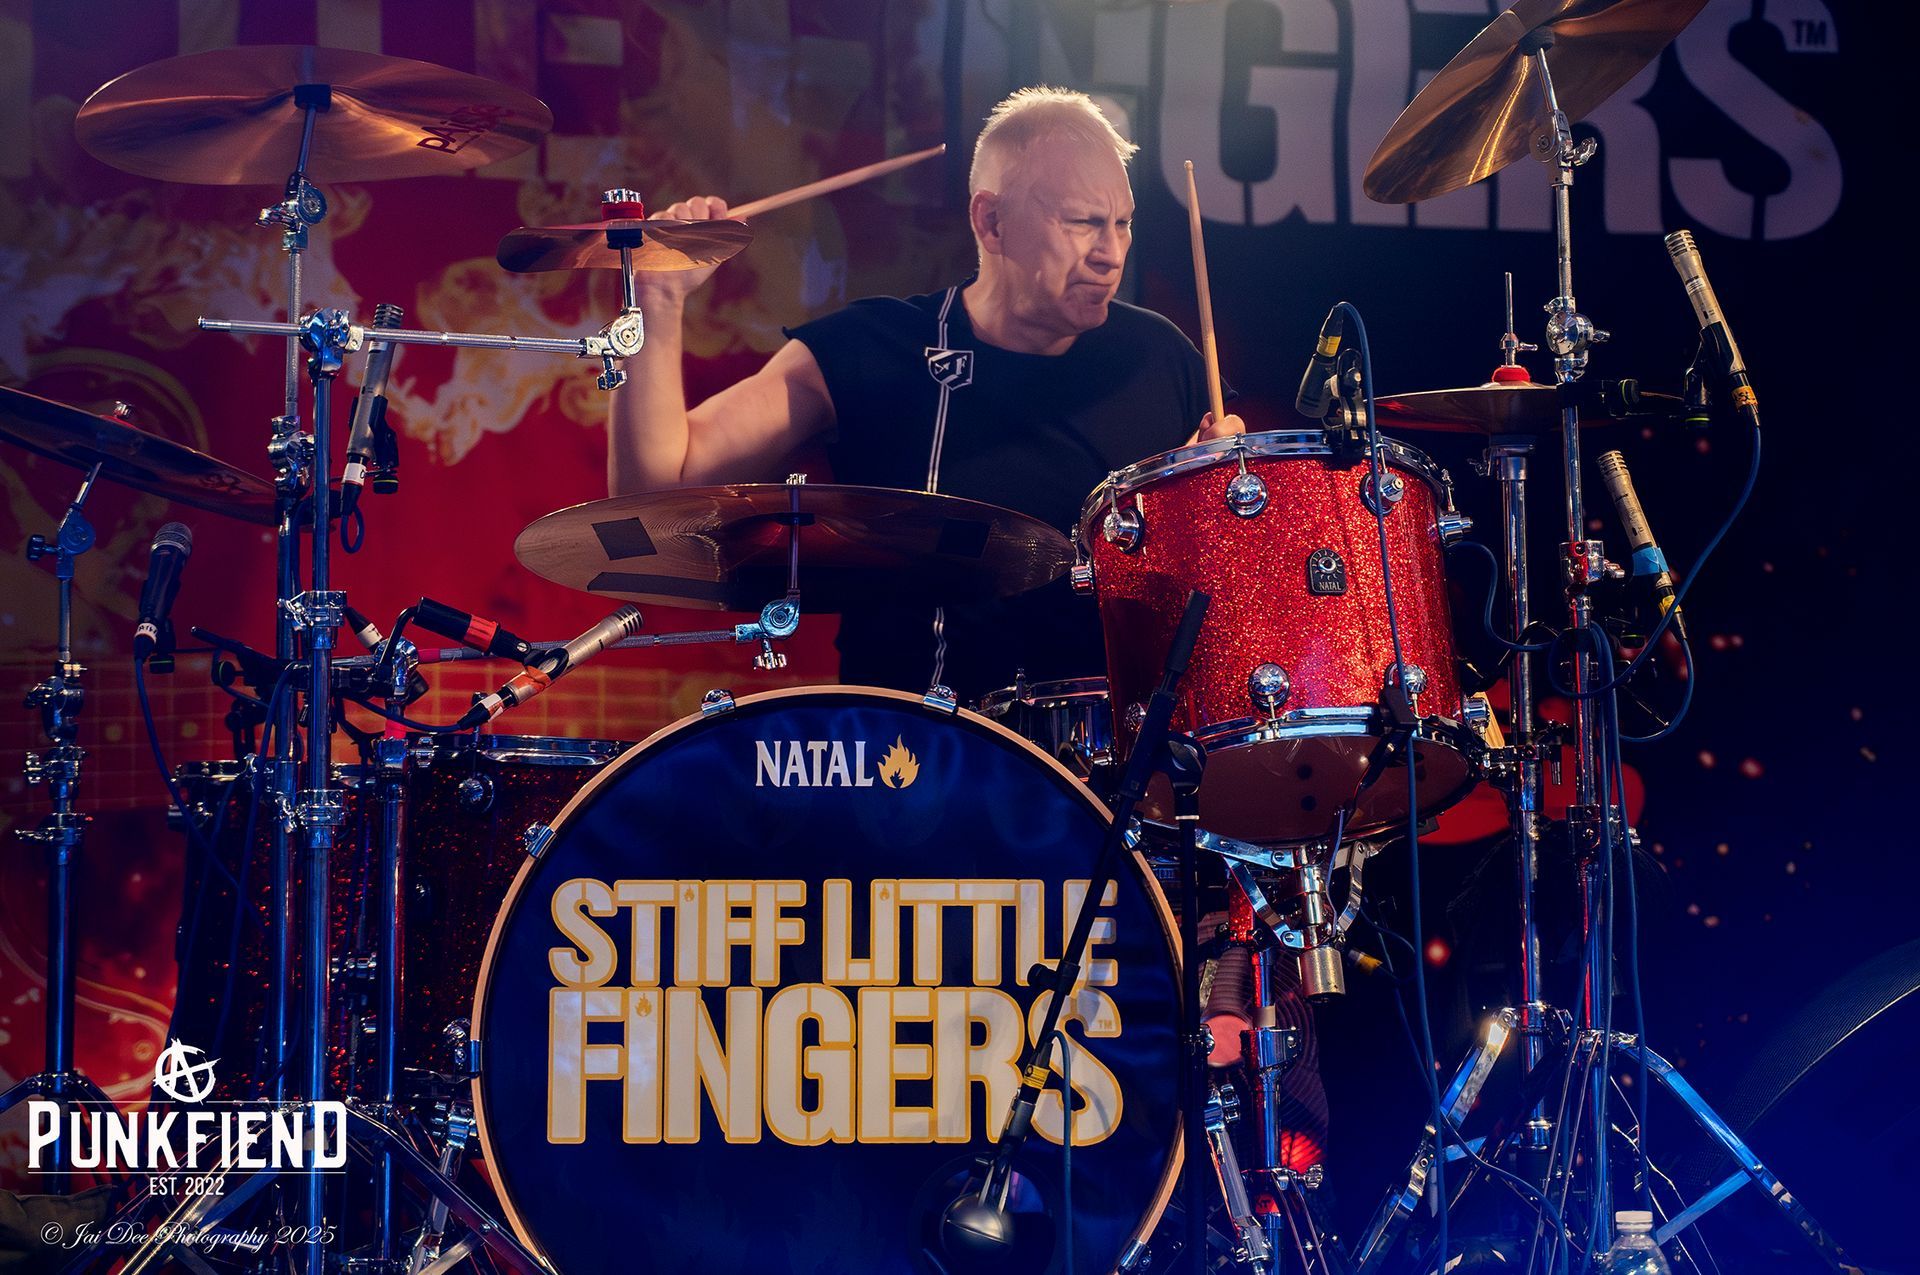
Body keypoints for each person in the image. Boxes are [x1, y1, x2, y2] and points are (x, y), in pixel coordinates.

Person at [607, 86, 1244, 703]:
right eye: (1084, 223)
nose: (1111, 253)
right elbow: (657, 492)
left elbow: (1217, 593)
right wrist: (656, 300)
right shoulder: (872, 346)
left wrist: (1217, 505)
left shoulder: (1161, 358)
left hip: (1107, 757)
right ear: (991, 222)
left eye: (1123, 223)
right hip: (904, 751)